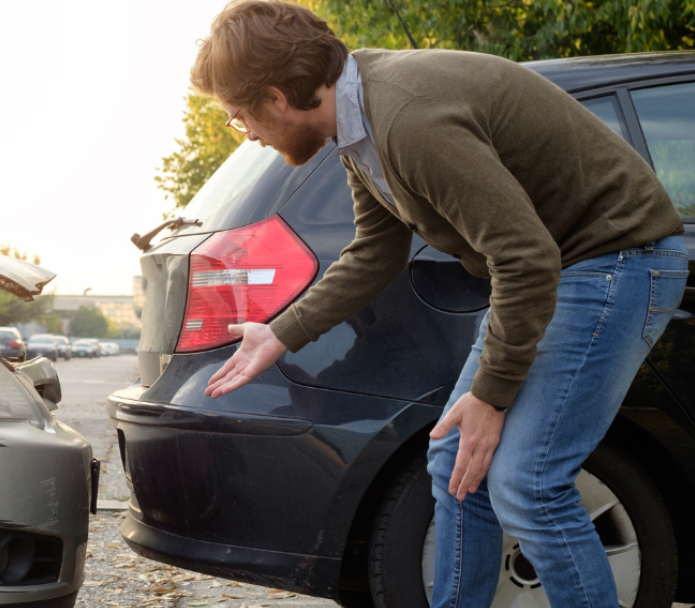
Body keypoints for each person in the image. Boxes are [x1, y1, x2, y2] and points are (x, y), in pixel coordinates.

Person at [195, 1, 687, 606]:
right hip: (556, 270)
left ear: (276, 97)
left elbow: (526, 257)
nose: (246, 132)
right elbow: (376, 251)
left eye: (239, 116)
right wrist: (279, 333)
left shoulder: (408, 119)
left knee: (528, 486)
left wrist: (490, 395)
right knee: (456, 463)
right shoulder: (358, 122)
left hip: (612, 261)